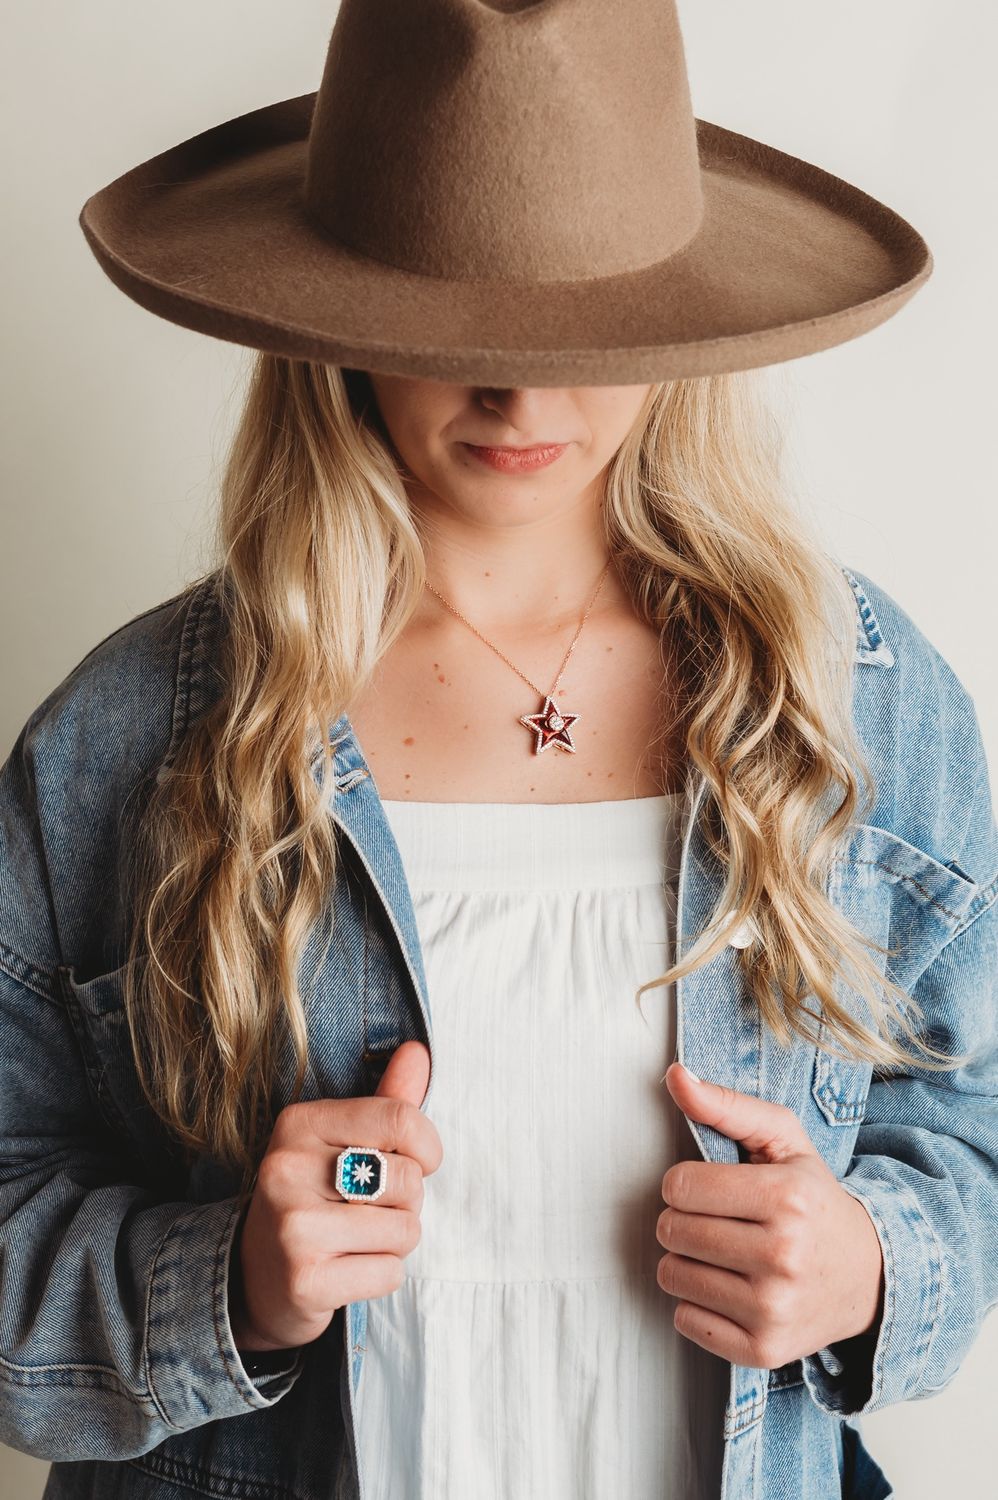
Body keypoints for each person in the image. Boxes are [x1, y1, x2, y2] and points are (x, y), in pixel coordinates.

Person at [1, 3, 995, 1499]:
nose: (520, 398)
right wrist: (224, 1283)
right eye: (455, 333)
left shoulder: (849, 700)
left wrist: (870, 1265)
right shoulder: (131, 739)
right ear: (330, 322)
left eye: (587, 333)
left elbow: (965, 1128)